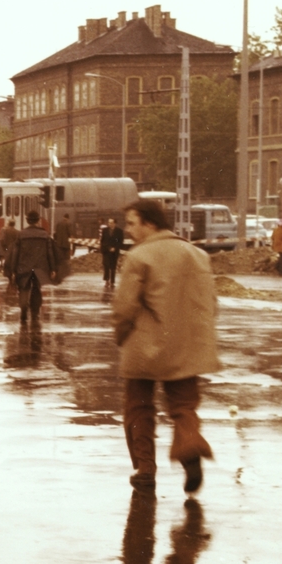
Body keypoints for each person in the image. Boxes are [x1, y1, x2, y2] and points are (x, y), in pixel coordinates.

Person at [112, 197, 219, 496]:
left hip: (145, 344)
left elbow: (125, 306)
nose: (128, 230)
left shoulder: (140, 256)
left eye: (132, 223)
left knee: (138, 407)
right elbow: (211, 303)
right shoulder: (197, 254)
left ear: (149, 222)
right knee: (184, 406)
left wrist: (121, 334)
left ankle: (145, 470)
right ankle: (190, 452)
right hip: (187, 344)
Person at [4, 211, 54, 325]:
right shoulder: (45, 235)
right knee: (36, 288)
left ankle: (24, 309)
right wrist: (53, 268)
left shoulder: (21, 235)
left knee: (24, 288)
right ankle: (35, 313)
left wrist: (13, 270)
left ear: (27, 220)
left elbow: (15, 253)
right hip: (40, 268)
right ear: (38, 220)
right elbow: (50, 253)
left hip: (23, 267)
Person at [99, 217, 125, 287]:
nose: (110, 224)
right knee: (106, 265)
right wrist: (108, 248)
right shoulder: (105, 230)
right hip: (106, 251)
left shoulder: (119, 231)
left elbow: (120, 241)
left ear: (115, 223)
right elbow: (103, 241)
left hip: (114, 252)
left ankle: (112, 282)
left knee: (113, 267)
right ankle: (107, 280)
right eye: (109, 222)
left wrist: (115, 248)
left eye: (111, 223)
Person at [54, 216, 74, 282]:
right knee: (66, 258)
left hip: (59, 244)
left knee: (60, 258)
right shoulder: (68, 223)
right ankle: (66, 272)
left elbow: (55, 233)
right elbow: (70, 233)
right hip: (66, 244)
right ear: (68, 218)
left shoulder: (58, 223)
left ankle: (59, 272)